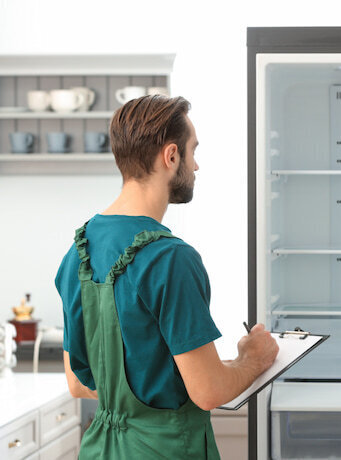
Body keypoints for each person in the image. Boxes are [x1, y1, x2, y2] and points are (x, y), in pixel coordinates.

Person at [55, 95, 278, 459]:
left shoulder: (77, 252)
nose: (197, 165)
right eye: (193, 151)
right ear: (171, 156)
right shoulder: (170, 258)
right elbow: (207, 391)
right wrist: (253, 358)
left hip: (99, 450)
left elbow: (79, 383)